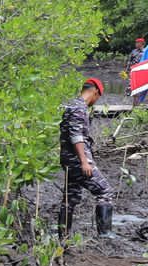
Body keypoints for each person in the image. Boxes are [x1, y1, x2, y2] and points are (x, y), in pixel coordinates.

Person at [58, 78, 115, 238]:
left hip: (69, 160)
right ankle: (105, 235)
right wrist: (84, 161)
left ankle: (63, 238)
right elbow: (76, 136)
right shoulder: (78, 109)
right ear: (95, 92)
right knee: (105, 191)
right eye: (98, 97)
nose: (96, 101)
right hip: (77, 161)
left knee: (70, 198)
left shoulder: (73, 105)